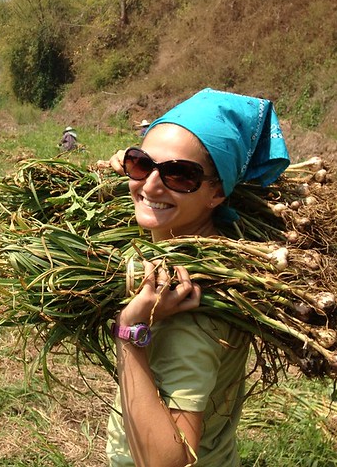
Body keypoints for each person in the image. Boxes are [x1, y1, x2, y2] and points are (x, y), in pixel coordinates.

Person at [105, 88, 290, 466]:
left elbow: (170, 461)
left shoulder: (187, 304)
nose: (151, 185)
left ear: (217, 193)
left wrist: (129, 333)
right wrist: (135, 168)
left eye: (179, 174)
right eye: (141, 164)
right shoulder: (211, 247)